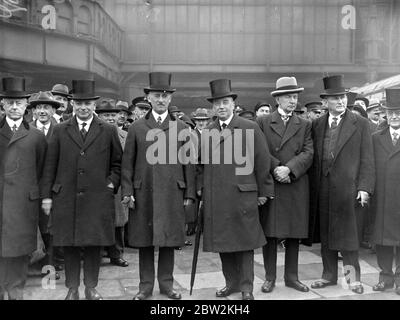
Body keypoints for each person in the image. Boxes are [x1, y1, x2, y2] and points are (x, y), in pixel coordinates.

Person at [41, 79, 123, 300]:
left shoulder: (108, 130)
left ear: (94, 105)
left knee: (94, 243)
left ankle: (91, 287)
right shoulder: (59, 130)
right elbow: (50, 165)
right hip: (66, 196)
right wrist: (47, 196)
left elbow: (118, 163)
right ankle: (72, 288)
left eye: (87, 103)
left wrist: (111, 183)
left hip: (97, 197)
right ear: (72, 105)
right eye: (79, 103)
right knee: (69, 244)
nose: (83, 107)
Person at [121, 72, 196, 300]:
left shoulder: (181, 126)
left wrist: (189, 194)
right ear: (149, 98)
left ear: (170, 99)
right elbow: (127, 164)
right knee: (144, 240)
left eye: (165, 96)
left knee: (168, 240)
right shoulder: (137, 127)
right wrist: (127, 191)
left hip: (173, 191)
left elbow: (189, 163)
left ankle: (166, 285)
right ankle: (145, 287)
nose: (161, 100)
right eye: (156, 96)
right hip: (144, 192)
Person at [199, 79, 274, 300]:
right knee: (224, 243)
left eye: (225, 102)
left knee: (244, 244)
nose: (221, 106)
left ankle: (246, 287)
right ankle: (230, 283)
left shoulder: (249, 127)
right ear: (213, 107)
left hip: (243, 196)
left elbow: (262, 162)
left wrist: (263, 193)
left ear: (233, 104)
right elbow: (202, 165)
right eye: (217, 103)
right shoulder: (209, 132)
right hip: (218, 198)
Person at [307, 75, 375, 294]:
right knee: (326, 235)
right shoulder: (316, 124)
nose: (340, 102)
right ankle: (328, 276)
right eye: (335, 98)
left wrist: (364, 187)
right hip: (323, 187)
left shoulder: (360, 123)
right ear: (325, 102)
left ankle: (352, 279)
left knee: (348, 235)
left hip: (349, 189)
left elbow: (368, 159)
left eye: (343, 97)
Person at [257, 76, 313, 294]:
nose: (293, 100)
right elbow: (260, 151)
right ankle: (270, 277)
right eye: (289, 96)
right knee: (270, 233)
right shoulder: (263, 121)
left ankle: (292, 277)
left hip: (295, 182)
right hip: (272, 182)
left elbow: (309, 152)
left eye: (295, 96)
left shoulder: (305, 124)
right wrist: (277, 167)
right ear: (278, 99)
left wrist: (289, 169)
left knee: (293, 233)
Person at [0, 77, 47, 299]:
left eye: (19, 102)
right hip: (2, 199)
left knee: (20, 246)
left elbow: (42, 169)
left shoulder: (36, 136)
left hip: (24, 201)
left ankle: (16, 287)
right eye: (10, 102)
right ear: (3, 105)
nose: (15, 106)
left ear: (27, 104)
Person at [28, 91, 61, 280]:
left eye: (46, 107)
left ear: (53, 110)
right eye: (38, 107)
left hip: (54, 187)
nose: (42, 111)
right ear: (33, 111)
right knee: (32, 227)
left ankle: (49, 267)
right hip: (31, 187)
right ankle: (32, 265)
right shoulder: (27, 129)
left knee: (50, 229)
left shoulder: (61, 129)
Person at [371, 88, 400, 295]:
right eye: (390, 112)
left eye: (399, 112)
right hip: (381, 198)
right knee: (381, 240)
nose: (394, 116)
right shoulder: (376, 138)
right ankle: (385, 277)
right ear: (385, 115)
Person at [96, 101, 129, 268]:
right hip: (96, 184)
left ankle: (116, 254)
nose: (110, 118)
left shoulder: (125, 135)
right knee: (96, 220)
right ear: (98, 116)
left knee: (118, 221)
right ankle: (97, 253)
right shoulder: (93, 133)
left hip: (117, 184)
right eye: (106, 115)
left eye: (113, 115)